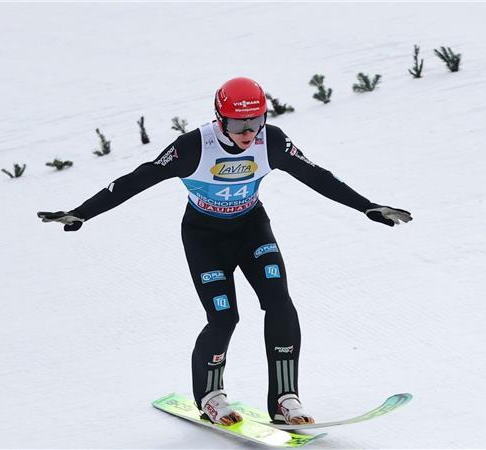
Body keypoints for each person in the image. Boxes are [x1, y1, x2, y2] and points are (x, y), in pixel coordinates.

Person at [38, 77, 412, 426]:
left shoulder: (273, 141)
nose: (249, 134)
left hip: (252, 230)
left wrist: (367, 206)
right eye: (238, 126)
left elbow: (318, 176)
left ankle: (285, 398)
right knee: (224, 318)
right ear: (219, 120)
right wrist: (83, 213)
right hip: (204, 238)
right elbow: (137, 178)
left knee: (280, 303)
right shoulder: (192, 147)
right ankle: (210, 396)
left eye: (257, 122)